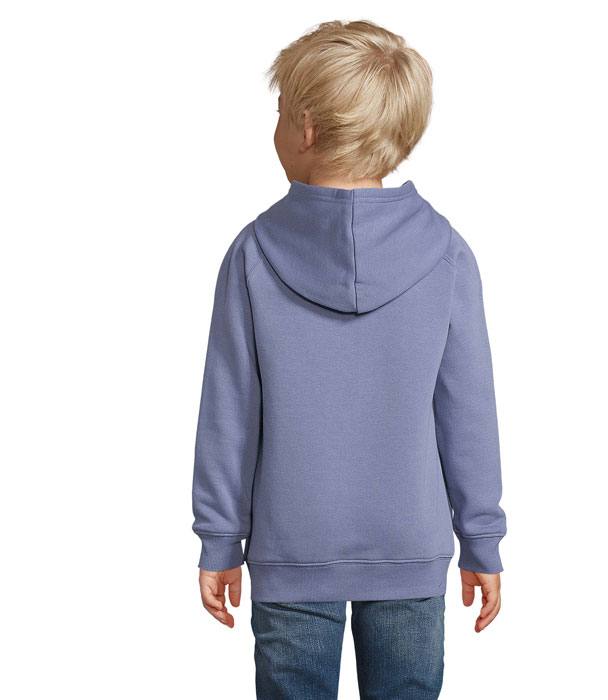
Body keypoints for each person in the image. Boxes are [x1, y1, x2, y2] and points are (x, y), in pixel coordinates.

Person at [191, 19, 507, 700]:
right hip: (410, 549)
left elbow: (229, 415)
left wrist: (219, 540)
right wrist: (481, 539)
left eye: (280, 113)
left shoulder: (252, 254)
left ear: (305, 129)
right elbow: (469, 414)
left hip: (290, 550)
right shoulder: (447, 253)